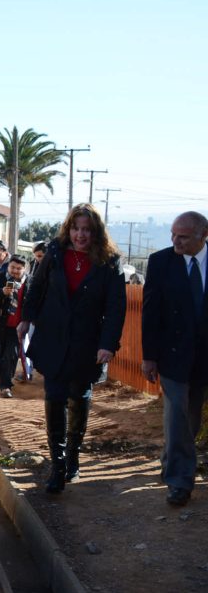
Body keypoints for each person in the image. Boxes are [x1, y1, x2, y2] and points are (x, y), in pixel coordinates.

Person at [17, 203, 126, 494]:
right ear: (69, 228)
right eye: (76, 228)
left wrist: (107, 345)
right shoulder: (53, 253)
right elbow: (36, 288)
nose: (80, 235)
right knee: (54, 397)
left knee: (79, 397)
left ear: (96, 233)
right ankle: (58, 463)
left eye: (87, 230)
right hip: (53, 338)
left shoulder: (110, 261)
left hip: (87, 342)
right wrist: (26, 320)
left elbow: (116, 308)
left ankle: (74, 455)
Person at [141, 211, 208, 506]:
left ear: (203, 235)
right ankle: (180, 480)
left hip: (204, 357)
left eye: (183, 236)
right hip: (171, 355)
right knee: (178, 412)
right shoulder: (160, 262)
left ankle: (171, 458)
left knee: (191, 416)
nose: (175, 241)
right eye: (172, 235)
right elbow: (150, 312)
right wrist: (149, 357)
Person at [0, 254, 30, 397]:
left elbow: (33, 303)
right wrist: (2, 292)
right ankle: (0, 377)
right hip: (0, 324)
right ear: (8, 266)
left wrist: (28, 320)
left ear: (25, 269)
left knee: (10, 355)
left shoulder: (29, 283)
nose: (15, 271)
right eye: (12, 267)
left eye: (19, 268)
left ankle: (6, 386)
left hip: (17, 327)